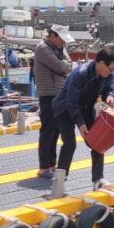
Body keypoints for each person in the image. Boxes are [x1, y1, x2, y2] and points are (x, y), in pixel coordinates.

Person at [52, 44, 114, 190]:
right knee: (70, 143)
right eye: (111, 68)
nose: (112, 72)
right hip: (64, 108)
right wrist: (81, 124)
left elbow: (109, 88)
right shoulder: (80, 74)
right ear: (101, 63)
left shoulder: (107, 74)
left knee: (98, 142)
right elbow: (71, 103)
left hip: (85, 107)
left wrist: (110, 96)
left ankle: (98, 180)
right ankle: (59, 181)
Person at [34, 25, 74, 178]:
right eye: (61, 39)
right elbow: (61, 67)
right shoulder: (42, 48)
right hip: (48, 94)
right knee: (48, 130)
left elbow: (69, 64)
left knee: (56, 130)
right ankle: (44, 166)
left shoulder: (59, 48)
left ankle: (51, 163)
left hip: (59, 93)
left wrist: (65, 65)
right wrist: (65, 66)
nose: (64, 43)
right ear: (53, 35)